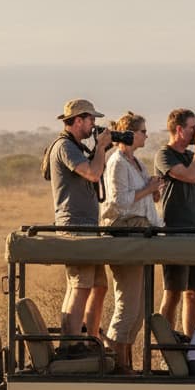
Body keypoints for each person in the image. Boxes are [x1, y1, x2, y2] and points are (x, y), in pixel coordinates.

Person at [100, 111, 164, 374]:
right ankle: (118, 361)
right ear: (130, 133)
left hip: (140, 232)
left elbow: (145, 202)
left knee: (137, 308)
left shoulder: (136, 162)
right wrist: (148, 190)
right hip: (125, 233)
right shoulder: (117, 162)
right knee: (128, 303)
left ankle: (123, 360)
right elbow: (120, 203)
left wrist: (153, 190)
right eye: (142, 131)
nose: (146, 135)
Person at [43, 98, 113, 340]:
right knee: (80, 286)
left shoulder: (77, 147)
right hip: (75, 226)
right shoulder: (65, 146)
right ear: (78, 120)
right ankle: (71, 346)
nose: (94, 124)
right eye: (91, 119)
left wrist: (101, 149)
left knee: (98, 285)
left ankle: (89, 339)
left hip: (87, 226)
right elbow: (93, 173)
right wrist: (102, 147)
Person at [155, 108, 195, 337]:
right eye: (193, 127)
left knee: (193, 293)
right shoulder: (165, 155)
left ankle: (190, 343)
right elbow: (191, 176)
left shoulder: (190, 156)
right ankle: (165, 342)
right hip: (176, 230)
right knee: (173, 292)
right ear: (180, 129)